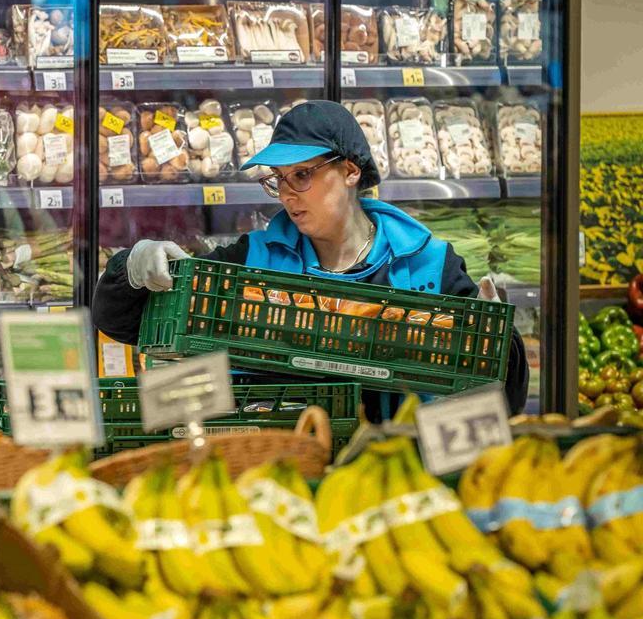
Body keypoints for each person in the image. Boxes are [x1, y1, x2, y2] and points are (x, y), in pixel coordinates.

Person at [92, 100, 528, 419]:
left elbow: (500, 397)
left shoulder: (430, 265)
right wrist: (130, 271)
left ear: (351, 171)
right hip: (281, 467)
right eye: (278, 181)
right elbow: (124, 324)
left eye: (302, 175)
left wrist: (498, 344)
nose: (286, 195)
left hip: (401, 470)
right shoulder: (254, 260)